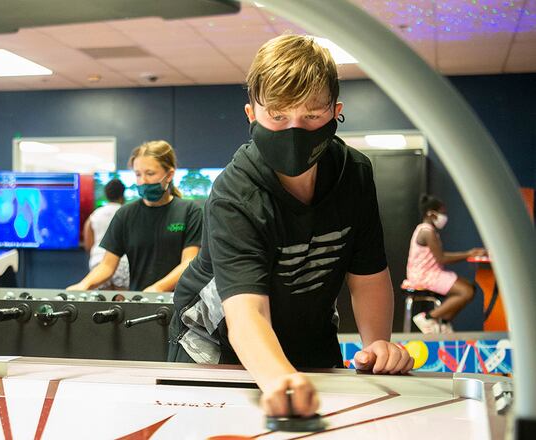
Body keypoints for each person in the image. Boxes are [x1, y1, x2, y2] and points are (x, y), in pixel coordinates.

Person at [168, 35, 413, 418]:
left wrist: (378, 346)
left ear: (336, 111)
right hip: (219, 344)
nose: (294, 130)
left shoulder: (355, 174)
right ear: (252, 115)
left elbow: (367, 276)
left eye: (312, 116)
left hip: (309, 330)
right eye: (278, 116)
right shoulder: (235, 193)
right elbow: (247, 314)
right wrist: (278, 378)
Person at [67, 141, 202, 293]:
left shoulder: (190, 212)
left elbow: (189, 262)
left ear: (169, 174)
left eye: (150, 174)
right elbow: (107, 265)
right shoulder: (126, 214)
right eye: (138, 174)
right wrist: (84, 285)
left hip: (179, 303)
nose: (142, 181)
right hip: (139, 300)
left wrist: (157, 289)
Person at [406, 194, 484, 334]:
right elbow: (441, 258)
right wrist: (469, 253)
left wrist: (469, 254)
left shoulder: (428, 230)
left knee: (469, 287)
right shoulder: (427, 232)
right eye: (442, 213)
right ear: (431, 214)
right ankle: (428, 318)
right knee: (466, 291)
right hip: (424, 275)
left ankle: (443, 322)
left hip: (432, 272)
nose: (444, 217)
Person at [83, 178, 130, 290]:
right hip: (122, 262)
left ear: (106, 195)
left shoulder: (94, 216)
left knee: (101, 303)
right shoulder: (127, 213)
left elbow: (88, 245)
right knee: (123, 303)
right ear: (122, 195)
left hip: (98, 263)